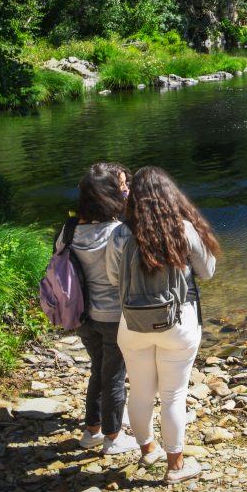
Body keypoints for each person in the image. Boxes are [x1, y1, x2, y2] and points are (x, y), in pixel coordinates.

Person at [107, 166, 219, 485]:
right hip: (179, 322)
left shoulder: (119, 233)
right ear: (170, 195)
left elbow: (114, 278)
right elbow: (208, 272)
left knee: (140, 391)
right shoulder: (181, 228)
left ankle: (147, 451)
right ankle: (175, 468)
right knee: (173, 395)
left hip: (131, 323)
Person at [69, 162, 140, 455]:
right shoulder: (118, 232)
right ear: (107, 194)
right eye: (122, 186)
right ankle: (112, 437)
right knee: (113, 375)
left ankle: (91, 431)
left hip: (81, 315)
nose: (127, 191)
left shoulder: (68, 229)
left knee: (98, 369)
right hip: (113, 316)